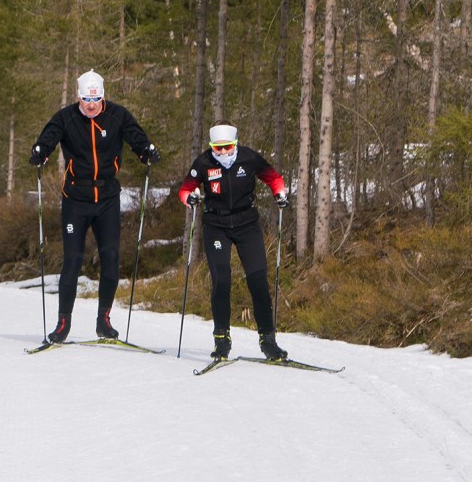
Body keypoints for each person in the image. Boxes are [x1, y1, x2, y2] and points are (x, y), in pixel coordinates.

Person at [30, 70, 158, 342]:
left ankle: (104, 320)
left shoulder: (117, 115)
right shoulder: (66, 117)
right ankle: (63, 323)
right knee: (73, 261)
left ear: (103, 95)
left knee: (110, 258)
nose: (91, 105)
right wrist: (41, 151)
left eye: (96, 99)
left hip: (107, 197)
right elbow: (49, 137)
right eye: (86, 100)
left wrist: (145, 150)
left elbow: (136, 136)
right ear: (78, 97)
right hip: (76, 198)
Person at [177, 123, 289, 362]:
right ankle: (221, 340)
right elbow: (185, 189)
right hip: (216, 227)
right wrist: (191, 198)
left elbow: (273, 178)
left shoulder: (249, 158)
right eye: (217, 149)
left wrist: (279, 194)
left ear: (235, 144)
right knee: (221, 280)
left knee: (258, 280)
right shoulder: (204, 163)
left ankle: (268, 341)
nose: (223, 153)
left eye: (228, 147)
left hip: (246, 224)